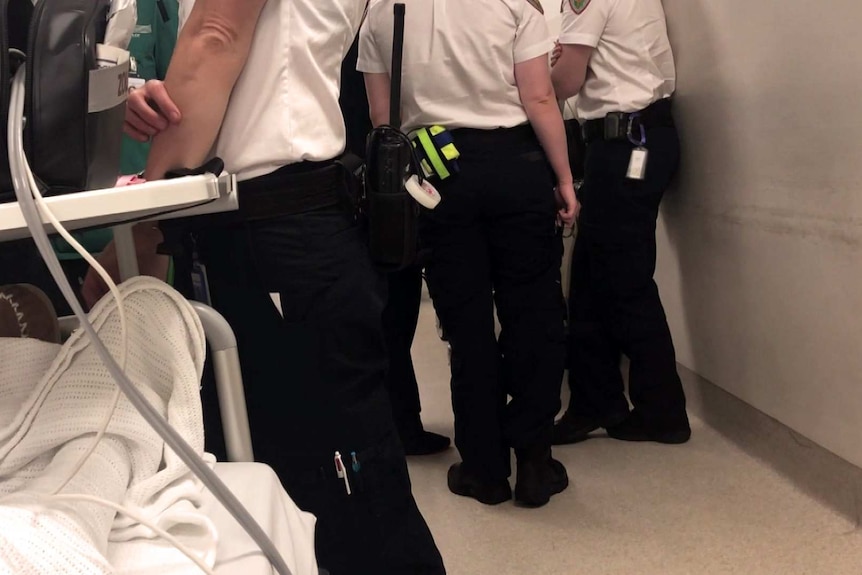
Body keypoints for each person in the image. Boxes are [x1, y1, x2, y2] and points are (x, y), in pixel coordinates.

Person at [84, 1, 447, 573]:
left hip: (277, 231)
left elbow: (217, 34)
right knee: (273, 486)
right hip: (259, 228)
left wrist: (139, 224)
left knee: (347, 496)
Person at [359, 0, 577, 508]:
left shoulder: (386, 12)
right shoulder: (515, 4)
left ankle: (483, 469)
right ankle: (535, 465)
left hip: (438, 175)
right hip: (516, 166)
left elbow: (380, 117)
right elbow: (540, 97)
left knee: (467, 328)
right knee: (533, 318)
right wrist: (564, 178)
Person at [550, 0, 691, 445]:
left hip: (626, 144)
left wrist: (530, 72)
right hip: (638, 140)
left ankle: (663, 411)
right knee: (592, 278)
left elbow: (566, 81)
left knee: (624, 281)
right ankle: (597, 401)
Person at [340, 38, 450, 456]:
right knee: (391, 314)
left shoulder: (353, 28)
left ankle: (396, 422)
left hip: (361, 177)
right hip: (382, 182)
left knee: (386, 314)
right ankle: (397, 425)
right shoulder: (380, 28)